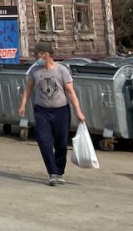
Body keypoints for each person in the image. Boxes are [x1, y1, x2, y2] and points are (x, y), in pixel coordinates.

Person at [17, 41, 86, 186]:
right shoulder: (35, 71)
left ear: (45, 55)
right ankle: (52, 172)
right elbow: (28, 88)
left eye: (36, 54)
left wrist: (78, 112)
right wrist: (23, 105)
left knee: (61, 143)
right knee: (44, 142)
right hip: (41, 111)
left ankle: (59, 172)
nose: (35, 57)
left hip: (61, 111)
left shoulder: (61, 70)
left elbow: (70, 92)